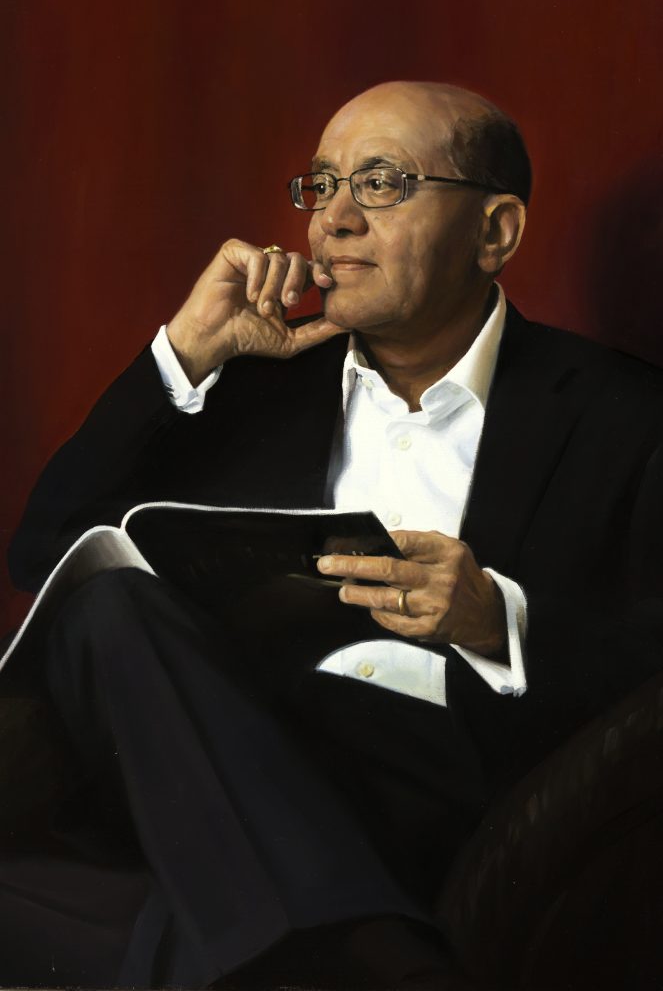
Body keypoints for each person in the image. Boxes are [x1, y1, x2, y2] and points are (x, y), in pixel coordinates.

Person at [3, 81, 663, 989]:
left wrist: (494, 618)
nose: (332, 222)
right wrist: (187, 350)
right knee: (110, 601)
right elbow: (43, 556)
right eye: (319, 187)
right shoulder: (246, 388)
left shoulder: (623, 414)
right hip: (216, 748)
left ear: (495, 232)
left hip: (432, 785)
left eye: (382, 183)